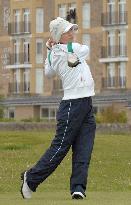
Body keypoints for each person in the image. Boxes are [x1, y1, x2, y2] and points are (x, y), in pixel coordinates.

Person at [21, 17, 96, 200]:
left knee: (84, 148)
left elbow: (48, 72)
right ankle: (30, 178)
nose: (72, 33)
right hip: (72, 105)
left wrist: (50, 49)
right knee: (60, 148)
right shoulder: (73, 49)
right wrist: (56, 49)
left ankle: (78, 187)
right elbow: (86, 49)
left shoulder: (54, 52)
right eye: (67, 31)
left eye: (72, 30)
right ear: (57, 36)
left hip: (86, 104)